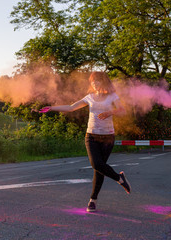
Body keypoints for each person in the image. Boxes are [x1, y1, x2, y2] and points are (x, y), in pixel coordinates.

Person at [39, 72, 131, 212]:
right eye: (92, 81)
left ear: (103, 82)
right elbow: (71, 107)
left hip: (107, 137)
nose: (94, 83)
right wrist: (52, 108)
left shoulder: (112, 96)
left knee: (99, 170)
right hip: (91, 136)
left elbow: (122, 110)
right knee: (96, 164)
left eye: (97, 81)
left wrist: (109, 112)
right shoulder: (89, 97)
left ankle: (92, 200)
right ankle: (119, 178)